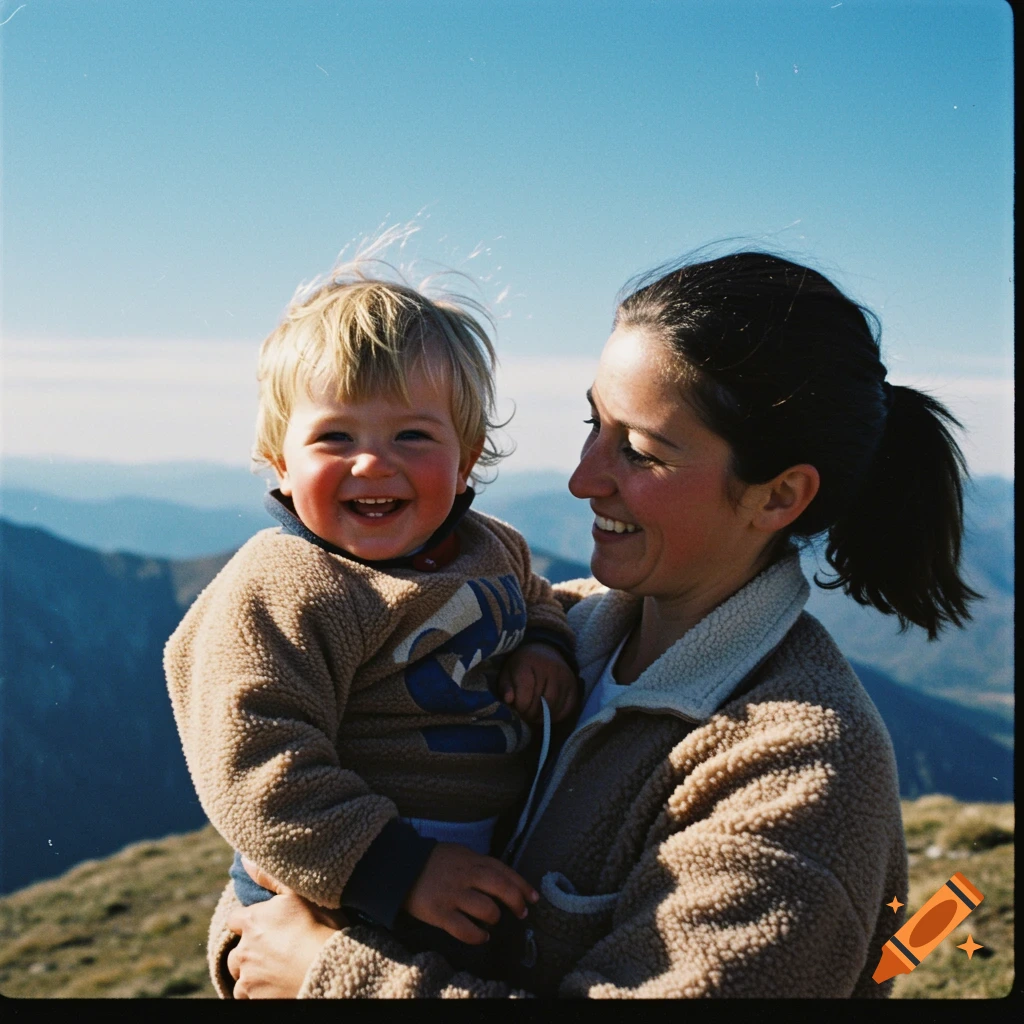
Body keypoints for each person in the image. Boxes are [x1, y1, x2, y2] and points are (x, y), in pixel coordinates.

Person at [220, 250, 980, 998]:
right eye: (594, 422)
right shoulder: (531, 624)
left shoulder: (801, 773)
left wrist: (331, 978)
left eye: (640, 452)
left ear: (778, 497)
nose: (583, 478)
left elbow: (302, 959)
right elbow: (269, 879)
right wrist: (260, 936)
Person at [163, 256, 582, 992]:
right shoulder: (285, 586)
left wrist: (542, 643)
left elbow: (537, 595)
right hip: (345, 882)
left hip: (471, 872)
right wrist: (401, 870)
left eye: (413, 437)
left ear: (466, 462)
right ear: (278, 464)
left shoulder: (494, 547)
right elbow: (254, 768)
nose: (370, 465)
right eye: (334, 438)